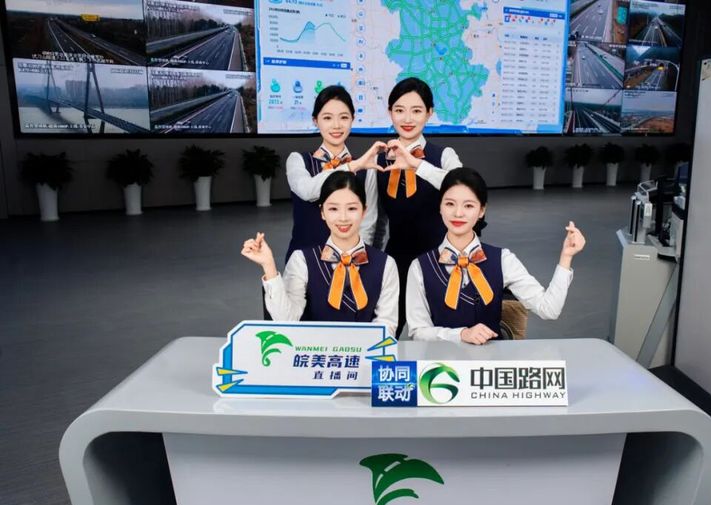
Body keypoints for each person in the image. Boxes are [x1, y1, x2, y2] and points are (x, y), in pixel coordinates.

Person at [406, 168, 586, 345]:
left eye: (468, 205)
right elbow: (418, 332)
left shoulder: (503, 259)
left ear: (481, 210)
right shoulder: (419, 266)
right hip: (441, 362)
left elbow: (549, 310)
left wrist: (566, 257)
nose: (458, 213)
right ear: (440, 207)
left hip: (491, 361)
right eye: (450, 204)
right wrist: (461, 334)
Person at [242, 171, 399, 336]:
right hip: (312, 350)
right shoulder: (302, 260)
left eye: (352, 208)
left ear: (364, 211)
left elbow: (387, 327)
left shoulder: (386, 264)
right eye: (333, 209)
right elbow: (286, 321)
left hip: (365, 351)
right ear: (322, 212)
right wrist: (269, 267)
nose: (343, 218)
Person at [374, 76, 463, 334]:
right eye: (399, 110)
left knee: (441, 333)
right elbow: (374, 221)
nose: (407, 119)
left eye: (416, 111)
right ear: (390, 112)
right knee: (387, 331)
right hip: (396, 260)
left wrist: (417, 165)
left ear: (429, 113)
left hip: (441, 260)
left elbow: (461, 187)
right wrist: (371, 262)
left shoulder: (443, 155)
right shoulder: (377, 159)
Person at [285, 85, 385, 263]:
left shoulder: (366, 169)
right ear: (315, 121)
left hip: (349, 264)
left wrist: (357, 264)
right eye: (327, 118)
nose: (336, 125)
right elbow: (307, 191)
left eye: (344, 117)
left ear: (353, 119)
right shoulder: (298, 160)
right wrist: (352, 166)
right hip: (303, 262)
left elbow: (368, 223)